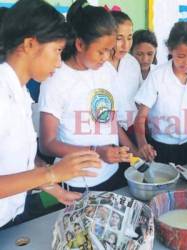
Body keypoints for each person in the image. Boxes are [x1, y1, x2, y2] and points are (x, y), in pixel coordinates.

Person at [0, 0, 101, 229]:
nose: (58, 63)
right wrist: (52, 174)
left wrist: (55, 189)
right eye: (56, 51)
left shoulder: (21, 91)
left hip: (14, 215)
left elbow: (20, 160)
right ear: (29, 44)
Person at [38, 0, 139, 193]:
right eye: (101, 51)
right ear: (80, 44)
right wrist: (96, 152)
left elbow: (109, 120)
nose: (106, 57)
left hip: (112, 172)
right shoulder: (55, 78)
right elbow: (47, 144)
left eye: (110, 50)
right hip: (78, 181)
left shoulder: (106, 71)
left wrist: (133, 151)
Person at [134, 21, 187, 166]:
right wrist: (142, 144)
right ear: (170, 50)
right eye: (180, 56)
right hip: (161, 146)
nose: (186, 63)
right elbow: (140, 117)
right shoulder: (158, 76)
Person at [108, 11, 141, 140]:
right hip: (106, 134)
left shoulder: (132, 63)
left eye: (129, 37)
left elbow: (138, 100)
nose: (126, 45)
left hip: (132, 129)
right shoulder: (98, 66)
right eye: (119, 38)